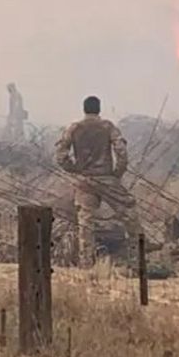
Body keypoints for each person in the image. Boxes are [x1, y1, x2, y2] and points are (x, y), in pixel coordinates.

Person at [54, 95, 139, 267]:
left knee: (85, 221)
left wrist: (73, 169)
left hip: (85, 180)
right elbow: (121, 151)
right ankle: (139, 253)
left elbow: (60, 154)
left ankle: (86, 262)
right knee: (128, 212)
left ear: (84, 109)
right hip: (106, 177)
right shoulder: (107, 127)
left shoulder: (74, 128)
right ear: (99, 109)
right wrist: (117, 172)